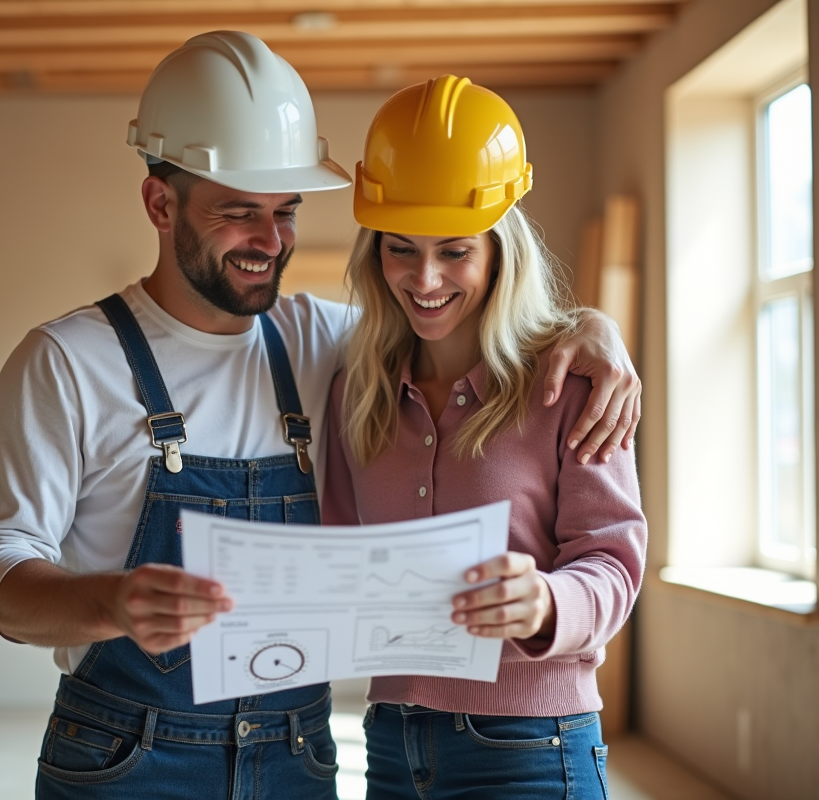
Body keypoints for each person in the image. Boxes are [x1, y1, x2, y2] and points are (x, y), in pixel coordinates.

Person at [0, 34, 641, 800]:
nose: (271, 241)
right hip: (128, 753)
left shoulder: (325, 343)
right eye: (239, 214)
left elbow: (462, 323)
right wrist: (111, 602)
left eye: (285, 213)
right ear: (160, 202)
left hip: (297, 756)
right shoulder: (67, 360)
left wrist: (590, 330)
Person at [321, 75, 647, 799]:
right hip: (390, 738)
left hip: (532, 745)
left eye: (454, 250)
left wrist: (546, 603)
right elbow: (339, 560)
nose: (424, 278)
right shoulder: (357, 392)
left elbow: (614, 565)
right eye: (400, 248)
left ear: (501, 247)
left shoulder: (571, 384)